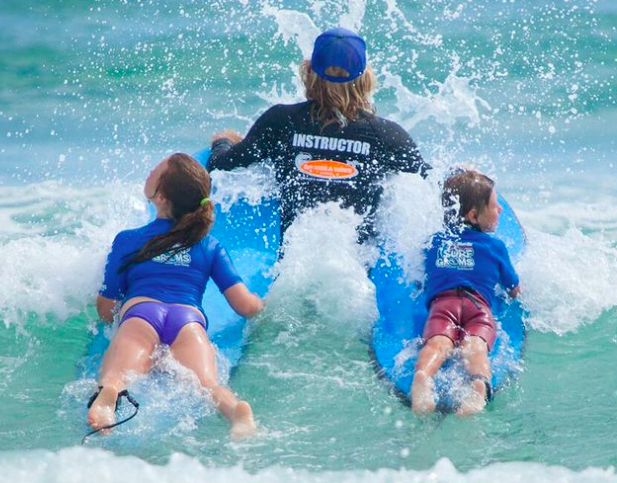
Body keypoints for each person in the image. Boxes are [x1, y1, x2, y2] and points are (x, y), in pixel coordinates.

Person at [90, 153, 264, 439]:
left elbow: (106, 309)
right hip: (187, 321)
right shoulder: (209, 245)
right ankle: (236, 413)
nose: (149, 172)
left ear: (160, 197)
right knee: (208, 385)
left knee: (116, 376)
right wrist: (265, 305)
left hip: (141, 315)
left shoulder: (128, 239)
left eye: (155, 172)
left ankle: (108, 397)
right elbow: (245, 305)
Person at [207, 27, 428, 242]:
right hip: (357, 271)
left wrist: (222, 141)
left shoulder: (280, 121)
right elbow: (431, 186)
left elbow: (220, 164)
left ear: (309, 72)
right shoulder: (386, 134)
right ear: (366, 78)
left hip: (295, 265)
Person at [410, 170, 521, 416]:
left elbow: (421, 279)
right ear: (473, 215)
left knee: (437, 344)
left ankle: (423, 376)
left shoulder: (435, 242)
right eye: (495, 206)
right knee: (475, 346)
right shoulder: (495, 246)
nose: (500, 210)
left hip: (443, 304)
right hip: (477, 307)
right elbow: (513, 289)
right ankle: (478, 387)